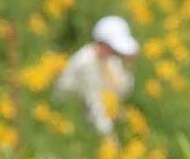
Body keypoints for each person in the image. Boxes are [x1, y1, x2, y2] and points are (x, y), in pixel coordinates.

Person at [53, 15, 141, 150]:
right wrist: (111, 141)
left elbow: (121, 92)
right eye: (113, 48)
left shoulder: (108, 61)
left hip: (87, 115)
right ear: (103, 43)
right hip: (68, 116)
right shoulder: (86, 63)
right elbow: (95, 105)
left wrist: (126, 66)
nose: (116, 52)